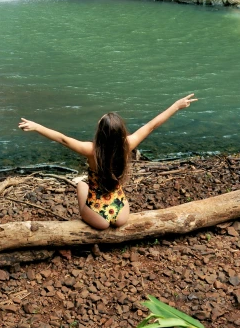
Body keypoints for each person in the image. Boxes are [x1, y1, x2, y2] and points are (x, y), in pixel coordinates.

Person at [18, 94, 197, 230]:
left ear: (101, 133)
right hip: (120, 211)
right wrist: (176, 106)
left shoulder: (91, 150)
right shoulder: (128, 145)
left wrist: (37, 127)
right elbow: (151, 126)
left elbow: (63, 139)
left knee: (81, 184)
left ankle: (87, 208)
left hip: (97, 215)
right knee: (117, 219)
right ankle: (112, 212)